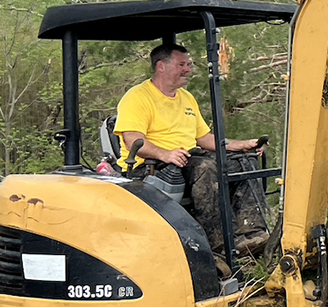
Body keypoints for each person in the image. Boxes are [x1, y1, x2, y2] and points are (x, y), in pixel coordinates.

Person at [115, 41, 269, 256]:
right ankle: (218, 245)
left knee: (244, 162)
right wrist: (165, 154)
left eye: (188, 64)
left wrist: (241, 146)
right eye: (182, 65)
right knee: (206, 168)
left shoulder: (186, 98)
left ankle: (253, 234)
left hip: (188, 159)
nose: (188, 69)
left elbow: (203, 138)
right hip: (152, 166)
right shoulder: (138, 97)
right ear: (161, 66)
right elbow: (133, 141)